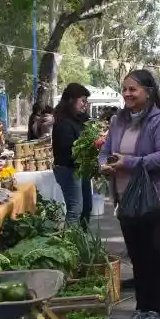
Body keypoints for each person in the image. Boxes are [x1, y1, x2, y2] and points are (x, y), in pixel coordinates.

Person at [99, 69, 160, 319]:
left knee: (155, 256)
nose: (127, 94)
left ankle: (158, 314)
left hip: (158, 200)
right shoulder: (118, 120)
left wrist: (129, 163)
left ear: (148, 91)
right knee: (137, 256)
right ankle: (142, 309)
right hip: (126, 199)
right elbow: (106, 150)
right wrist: (104, 164)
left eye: (133, 89)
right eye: (124, 89)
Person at [52, 83, 92, 227]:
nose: (85, 105)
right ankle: (71, 245)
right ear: (71, 100)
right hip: (68, 169)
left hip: (76, 169)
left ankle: (78, 241)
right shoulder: (64, 123)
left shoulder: (75, 119)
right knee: (75, 210)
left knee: (82, 208)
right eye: (82, 101)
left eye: (86, 102)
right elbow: (67, 151)